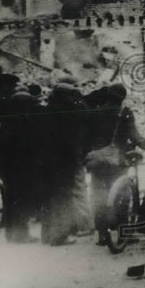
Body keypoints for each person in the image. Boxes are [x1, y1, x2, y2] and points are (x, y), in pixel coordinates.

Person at [82, 82, 145, 245]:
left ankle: (102, 236)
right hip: (117, 162)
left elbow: (86, 138)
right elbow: (137, 138)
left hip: (98, 161)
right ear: (122, 98)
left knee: (99, 197)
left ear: (108, 95)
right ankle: (124, 235)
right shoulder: (125, 113)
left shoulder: (95, 112)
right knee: (122, 197)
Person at [38, 79, 84, 245]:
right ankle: (59, 236)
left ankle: (47, 235)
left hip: (45, 163)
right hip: (62, 163)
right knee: (62, 199)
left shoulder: (45, 111)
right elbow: (70, 141)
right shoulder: (66, 114)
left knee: (48, 199)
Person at [0, 88, 39, 243]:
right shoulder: (24, 121)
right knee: (21, 201)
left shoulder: (7, 120)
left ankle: (12, 234)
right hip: (22, 168)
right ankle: (21, 234)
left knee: (11, 201)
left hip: (10, 169)